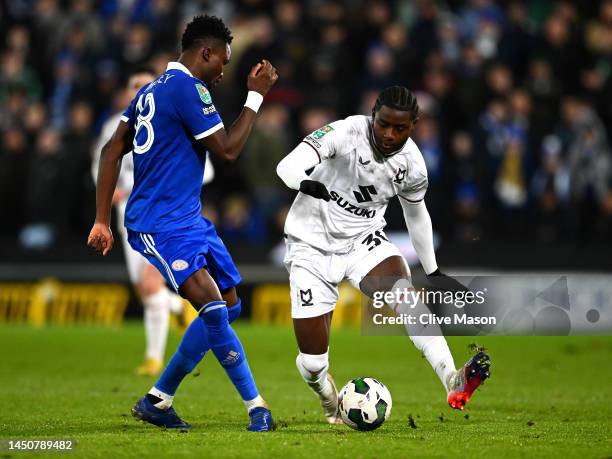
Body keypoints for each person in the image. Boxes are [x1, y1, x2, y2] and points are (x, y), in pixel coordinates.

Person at [87, 15, 278, 431]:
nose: (224, 70)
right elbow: (227, 149)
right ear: (204, 53)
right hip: (159, 223)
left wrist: (102, 219)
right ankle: (256, 406)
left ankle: (158, 399)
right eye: (222, 61)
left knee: (228, 305)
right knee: (212, 306)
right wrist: (256, 98)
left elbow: (110, 149)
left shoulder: (151, 90)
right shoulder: (187, 88)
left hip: (187, 221)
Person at [276, 86, 491, 424]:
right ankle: (328, 397)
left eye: (400, 128)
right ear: (373, 115)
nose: (390, 135)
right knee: (314, 363)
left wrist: (433, 272)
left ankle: (452, 379)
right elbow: (287, 167)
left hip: (363, 241)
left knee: (405, 294)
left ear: (414, 125)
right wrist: (304, 183)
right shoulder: (344, 132)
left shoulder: (413, 165)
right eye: (384, 125)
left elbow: (416, 215)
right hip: (310, 245)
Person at [91, 66, 214, 377]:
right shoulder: (114, 127)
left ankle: (154, 359)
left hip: (165, 221)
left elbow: (207, 169)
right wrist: (112, 195)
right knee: (146, 293)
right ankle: (179, 308)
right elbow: (101, 165)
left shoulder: (176, 121)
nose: (139, 89)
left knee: (149, 286)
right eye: (134, 84)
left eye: (145, 85)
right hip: (128, 221)